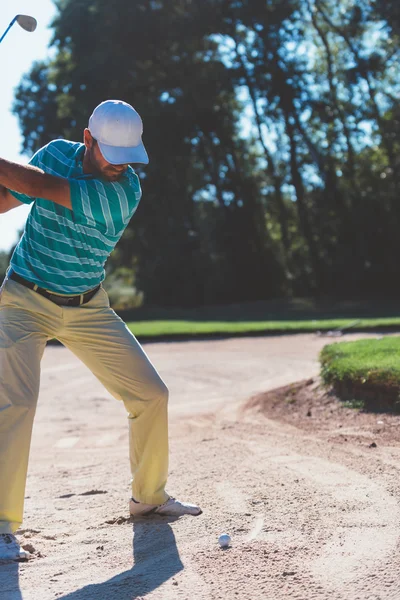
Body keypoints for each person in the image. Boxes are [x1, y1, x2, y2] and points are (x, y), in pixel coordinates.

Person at [0, 99, 201, 562]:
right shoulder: (54, 153)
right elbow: (11, 196)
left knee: (151, 394)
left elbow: (35, 185)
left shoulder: (123, 192)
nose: (122, 164)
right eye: (111, 152)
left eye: (129, 154)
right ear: (88, 139)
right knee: (16, 401)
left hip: (88, 307)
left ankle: (149, 496)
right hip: (24, 299)